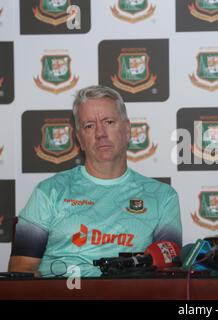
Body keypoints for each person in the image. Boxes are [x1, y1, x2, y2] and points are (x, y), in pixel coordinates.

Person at [8, 85, 182, 277]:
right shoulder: (49, 192)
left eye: (109, 122)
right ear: (79, 139)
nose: (100, 133)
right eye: (89, 125)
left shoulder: (163, 197)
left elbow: (168, 275)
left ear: (127, 129)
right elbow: (20, 274)